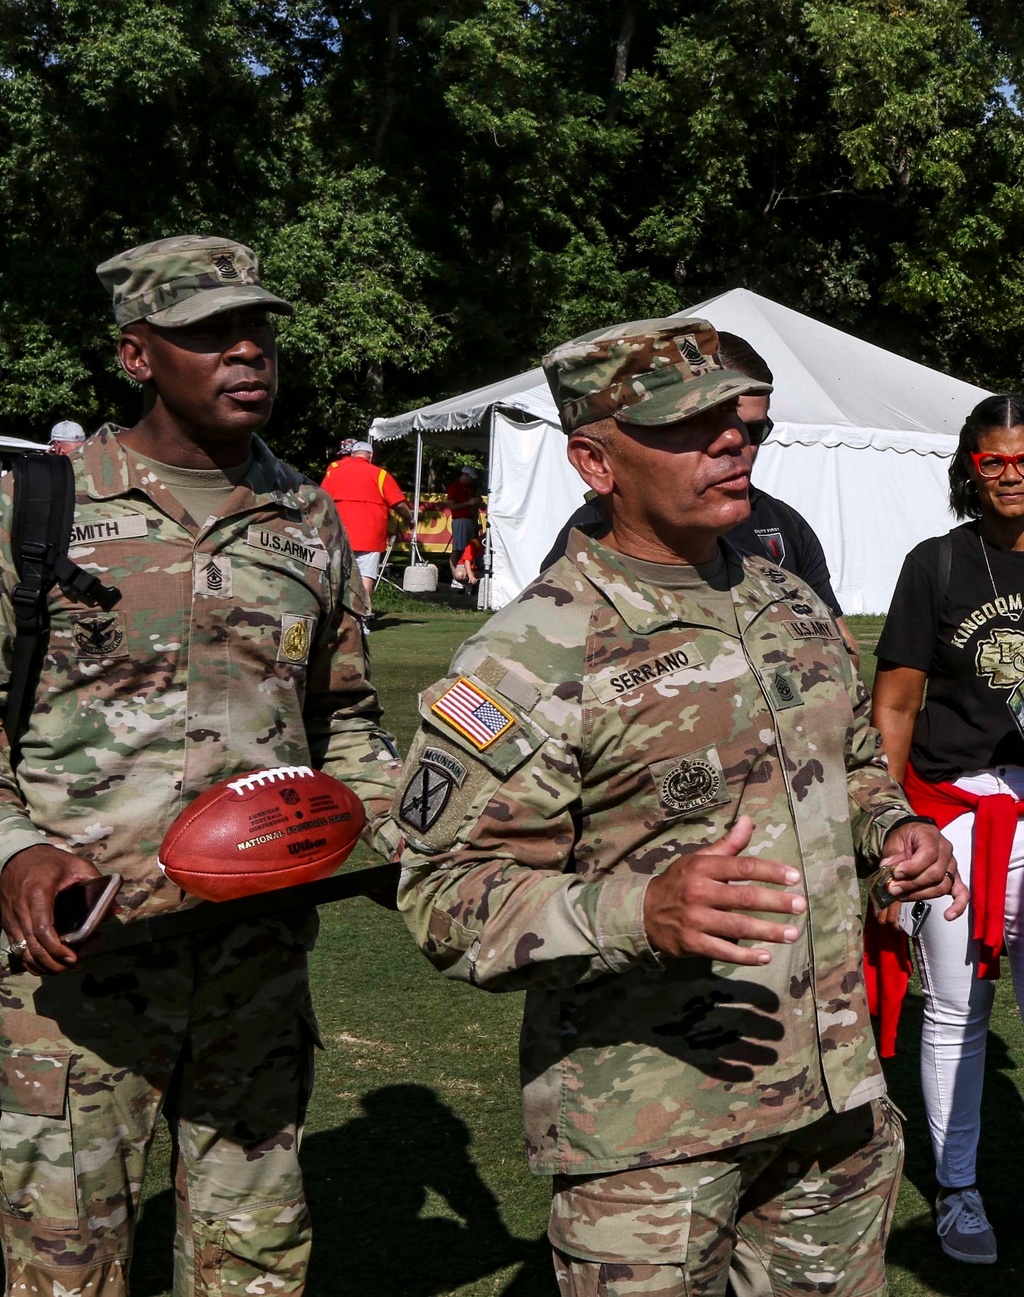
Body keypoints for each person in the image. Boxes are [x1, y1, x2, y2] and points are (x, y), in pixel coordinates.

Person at [392, 316, 963, 1296]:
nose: (729, 441)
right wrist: (635, 911)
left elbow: (855, 762)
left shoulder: (791, 604)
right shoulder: (533, 652)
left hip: (830, 1106)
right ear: (593, 461)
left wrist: (891, 831)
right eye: (683, 425)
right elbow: (441, 891)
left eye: (738, 422)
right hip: (652, 1138)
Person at [0, 235, 402, 1295]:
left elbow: (345, 717)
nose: (246, 352)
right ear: (137, 355)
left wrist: (391, 829)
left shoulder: (307, 518)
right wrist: (16, 850)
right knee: (61, 1268)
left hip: (254, 967)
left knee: (255, 1266)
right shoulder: (36, 507)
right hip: (75, 982)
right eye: (207, 333)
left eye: (257, 329)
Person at [870, 393, 1024, 1265]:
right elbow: (895, 702)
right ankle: (960, 1187)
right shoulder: (936, 563)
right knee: (955, 1009)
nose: (1010, 474)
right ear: (968, 470)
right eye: (992, 461)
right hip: (953, 810)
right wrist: (888, 822)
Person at [539, 332, 857, 653]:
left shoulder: (783, 543)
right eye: (684, 423)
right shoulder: (539, 634)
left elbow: (842, 652)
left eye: (752, 428)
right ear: (595, 462)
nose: (736, 439)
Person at [320, 437, 414, 602]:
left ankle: (336, 617)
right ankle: (362, 618)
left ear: (353, 454)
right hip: (371, 535)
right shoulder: (381, 475)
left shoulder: (334, 472)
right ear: (370, 457)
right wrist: (410, 519)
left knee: (337, 574)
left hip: (340, 532)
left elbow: (322, 499)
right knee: (366, 576)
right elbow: (399, 504)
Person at [444, 466, 480, 588]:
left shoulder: (468, 489)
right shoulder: (454, 487)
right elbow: (452, 506)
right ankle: (455, 577)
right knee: (458, 549)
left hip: (469, 520)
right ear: (465, 475)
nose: (471, 481)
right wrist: (469, 503)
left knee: (467, 549)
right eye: (470, 478)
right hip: (460, 520)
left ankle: (465, 576)